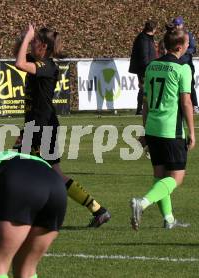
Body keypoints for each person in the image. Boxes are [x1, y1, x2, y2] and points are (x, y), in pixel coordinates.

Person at [14, 24, 111, 228]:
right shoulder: (37, 60)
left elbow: (19, 64)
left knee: (26, 169)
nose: (31, 45)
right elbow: (18, 54)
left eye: (35, 42)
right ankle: (97, 209)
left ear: (44, 47)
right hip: (38, 125)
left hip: (42, 126)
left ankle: (22, 213)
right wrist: (26, 37)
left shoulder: (47, 66)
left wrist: (28, 133)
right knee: (38, 171)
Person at [130, 28, 195, 230]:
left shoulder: (151, 67)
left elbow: (146, 103)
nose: (187, 48)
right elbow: (186, 102)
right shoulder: (182, 68)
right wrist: (192, 131)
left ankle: (169, 219)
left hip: (153, 129)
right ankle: (142, 203)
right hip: (171, 131)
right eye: (186, 45)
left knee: (160, 177)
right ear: (178, 47)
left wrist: (145, 130)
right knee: (176, 178)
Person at [129, 20, 157, 115]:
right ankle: (141, 108)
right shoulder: (144, 39)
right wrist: (148, 67)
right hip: (145, 68)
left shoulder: (145, 38)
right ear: (153, 29)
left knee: (145, 88)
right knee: (144, 88)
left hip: (146, 67)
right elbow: (144, 55)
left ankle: (143, 107)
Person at [172, 16, 199, 114]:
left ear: (182, 25)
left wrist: (183, 51)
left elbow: (193, 49)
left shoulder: (188, 35)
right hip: (175, 64)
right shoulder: (172, 36)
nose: (177, 27)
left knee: (190, 85)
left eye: (178, 24)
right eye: (175, 25)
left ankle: (195, 105)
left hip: (186, 64)